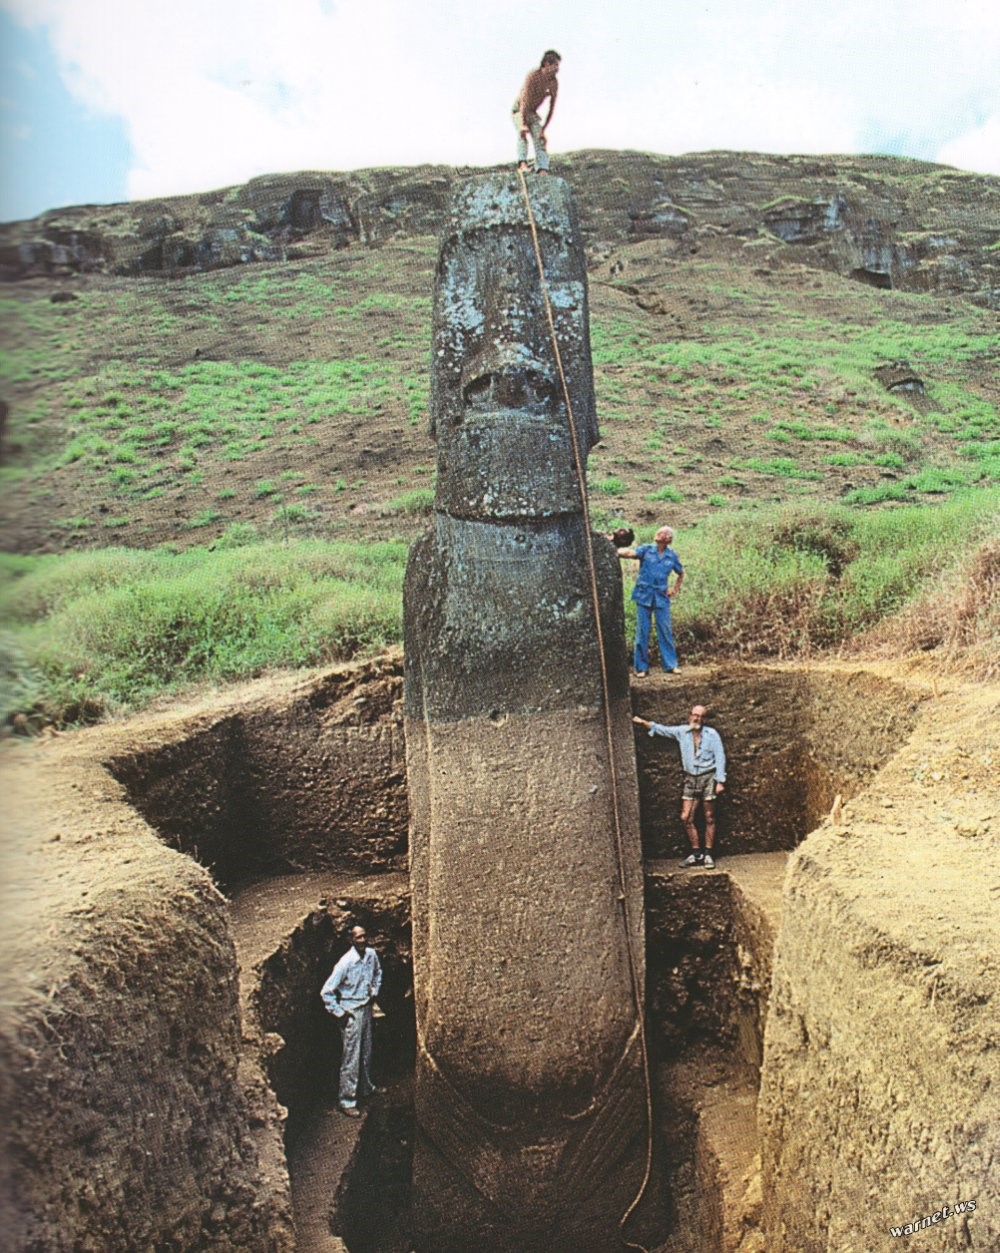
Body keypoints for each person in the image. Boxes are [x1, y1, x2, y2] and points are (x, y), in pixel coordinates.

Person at [633, 705, 726, 868]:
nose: (696, 719)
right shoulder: (682, 732)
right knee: (686, 817)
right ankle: (696, 853)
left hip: (708, 778)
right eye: (694, 715)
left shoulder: (712, 735)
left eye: (700, 716)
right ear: (690, 716)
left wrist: (720, 781)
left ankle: (708, 854)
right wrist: (642, 722)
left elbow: (720, 756)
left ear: (704, 719)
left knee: (709, 817)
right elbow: (662, 730)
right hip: (691, 779)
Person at [321, 924, 382, 1117]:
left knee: (366, 1051)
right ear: (351, 940)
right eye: (359, 938)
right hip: (351, 1012)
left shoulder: (371, 955)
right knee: (351, 1057)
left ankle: (365, 1089)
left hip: (366, 1008)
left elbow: (378, 973)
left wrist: (374, 992)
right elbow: (327, 992)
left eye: (365, 936)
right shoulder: (345, 963)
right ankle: (347, 1100)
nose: (363, 941)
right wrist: (340, 1013)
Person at [617, 526, 684, 676]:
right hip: (644, 595)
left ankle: (671, 665)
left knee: (665, 631)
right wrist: (613, 550)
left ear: (668, 539)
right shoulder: (647, 549)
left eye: (661, 533)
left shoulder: (671, 556)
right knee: (642, 631)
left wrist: (674, 589)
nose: (657, 534)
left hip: (661, 597)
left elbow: (680, 572)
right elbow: (629, 553)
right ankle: (641, 668)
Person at [513, 50, 561, 174]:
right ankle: (522, 164)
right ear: (547, 64)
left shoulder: (554, 83)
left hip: (532, 112)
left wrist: (543, 130)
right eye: (555, 65)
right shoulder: (533, 76)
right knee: (522, 134)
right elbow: (524, 101)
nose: (557, 69)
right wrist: (523, 124)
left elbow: (551, 108)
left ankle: (542, 168)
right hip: (520, 109)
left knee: (540, 139)